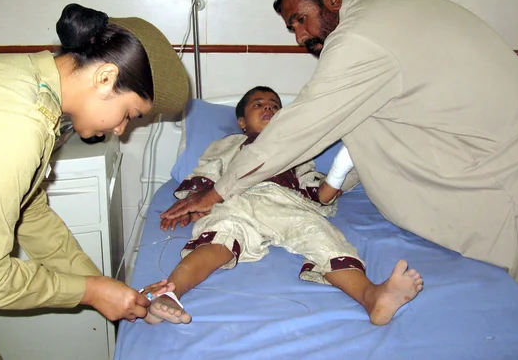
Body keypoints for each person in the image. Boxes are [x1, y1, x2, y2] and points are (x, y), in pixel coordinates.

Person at [161, 0, 518, 290]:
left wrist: (216, 193)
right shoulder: (387, 11)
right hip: (495, 152)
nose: (300, 37)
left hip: (504, 179)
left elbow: (296, 130)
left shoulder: (358, 39)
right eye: (292, 28)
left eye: (300, 20)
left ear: (332, 1)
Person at [0, 3, 190, 360]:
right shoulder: (15, 123)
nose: (120, 129)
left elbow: (31, 214)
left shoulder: (22, 82)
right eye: (129, 114)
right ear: (105, 78)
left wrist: (103, 286)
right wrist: (89, 292)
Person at [146, 86, 423, 327]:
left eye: (275, 106)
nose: (268, 107)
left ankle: (371, 296)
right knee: (220, 233)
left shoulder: (298, 153)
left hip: (290, 204)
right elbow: (207, 175)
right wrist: (192, 204)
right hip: (241, 199)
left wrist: (340, 172)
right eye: (258, 104)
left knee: (323, 237)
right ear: (241, 122)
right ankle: (170, 292)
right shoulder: (228, 144)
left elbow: (318, 194)